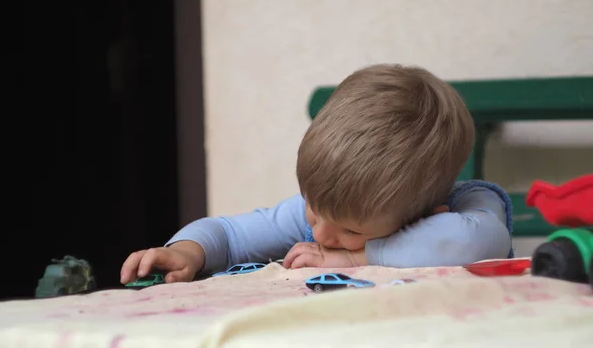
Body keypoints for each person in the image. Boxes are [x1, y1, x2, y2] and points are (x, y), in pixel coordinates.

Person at [120, 64, 513, 285]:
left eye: (351, 230)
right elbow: (229, 233)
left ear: (427, 214)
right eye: (313, 208)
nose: (322, 235)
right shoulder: (332, 212)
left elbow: (473, 244)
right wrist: (185, 252)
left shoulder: (471, 205)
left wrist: (353, 257)